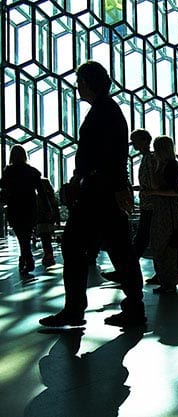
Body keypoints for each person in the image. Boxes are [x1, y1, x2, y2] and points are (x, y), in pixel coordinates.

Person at [39, 61, 145, 328]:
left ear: (87, 83)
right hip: (104, 190)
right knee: (121, 250)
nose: (77, 89)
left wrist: (82, 178)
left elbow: (104, 156)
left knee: (75, 247)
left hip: (97, 192)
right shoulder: (108, 110)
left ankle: (75, 310)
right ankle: (133, 308)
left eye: (79, 83)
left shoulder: (103, 112)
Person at [144, 135, 178, 294]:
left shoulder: (171, 165)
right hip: (162, 208)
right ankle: (166, 278)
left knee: (167, 243)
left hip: (168, 210)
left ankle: (169, 280)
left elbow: (175, 192)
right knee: (161, 243)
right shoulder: (163, 164)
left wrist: (153, 192)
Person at [0, 145, 43, 280]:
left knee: (21, 236)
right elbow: (41, 192)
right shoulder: (32, 171)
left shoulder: (9, 172)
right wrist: (47, 207)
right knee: (27, 234)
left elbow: (3, 189)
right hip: (30, 207)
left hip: (15, 208)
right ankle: (26, 258)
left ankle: (27, 259)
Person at [130, 129, 157, 283]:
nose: (133, 144)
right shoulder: (148, 158)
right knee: (143, 238)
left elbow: (153, 182)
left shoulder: (150, 158)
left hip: (151, 205)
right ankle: (128, 268)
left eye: (135, 140)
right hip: (149, 204)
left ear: (144, 141)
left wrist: (144, 190)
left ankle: (128, 269)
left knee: (142, 238)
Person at [35, 177, 61, 268]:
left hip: (41, 221)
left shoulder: (38, 198)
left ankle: (48, 255)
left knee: (45, 239)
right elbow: (56, 209)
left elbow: (36, 210)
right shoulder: (52, 197)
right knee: (47, 239)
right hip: (50, 221)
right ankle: (49, 255)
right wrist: (57, 221)